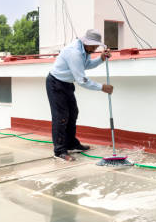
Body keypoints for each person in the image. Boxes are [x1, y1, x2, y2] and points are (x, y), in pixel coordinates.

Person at [46, 29, 113, 161]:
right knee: (61, 117)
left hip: (67, 84)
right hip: (55, 84)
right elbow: (82, 80)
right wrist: (102, 87)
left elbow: (86, 65)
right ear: (86, 42)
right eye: (93, 46)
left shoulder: (85, 50)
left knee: (73, 113)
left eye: (96, 46)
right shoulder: (75, 53)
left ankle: (71, 144)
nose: (94, 49)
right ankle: (59, 151)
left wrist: (101, 58)